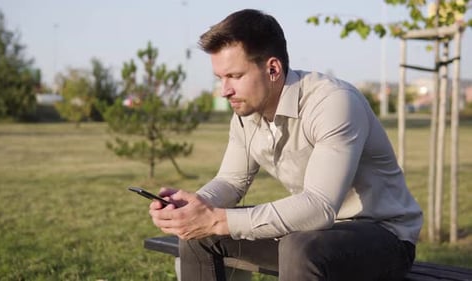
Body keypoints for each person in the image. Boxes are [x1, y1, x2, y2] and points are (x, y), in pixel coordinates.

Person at [149, 8, 423, 281]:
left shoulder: (333, 102)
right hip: (311, 232)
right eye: (220, 78)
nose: (224, 91)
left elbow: (318, 207)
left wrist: (216, 219)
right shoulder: (247, 113)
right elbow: (231, 181)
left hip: (384, 237)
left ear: (272, 69)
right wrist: (198, 206)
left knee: (299, 247)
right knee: (201, 236)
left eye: (235, 76)